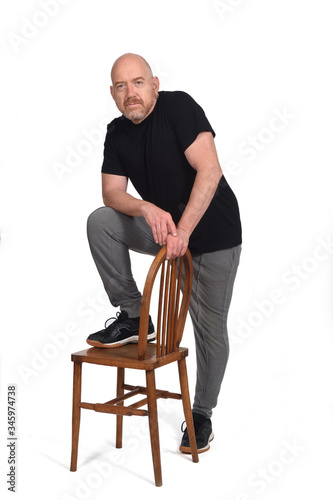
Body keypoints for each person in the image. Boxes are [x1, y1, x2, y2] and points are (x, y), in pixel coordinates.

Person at [86, 53, 242, 454]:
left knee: (209, 330)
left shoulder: (179, 107)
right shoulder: (117, 132)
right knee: (102, 220)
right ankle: (136, 315)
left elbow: (210, 170)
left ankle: (202, 414)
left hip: (213, 234)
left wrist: (184, 229)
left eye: (137, 83)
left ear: (154, 84)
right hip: (165, 229)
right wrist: (146, 208)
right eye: (121, 86)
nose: (130, 93)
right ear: (112, 93)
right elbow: (112, 193)